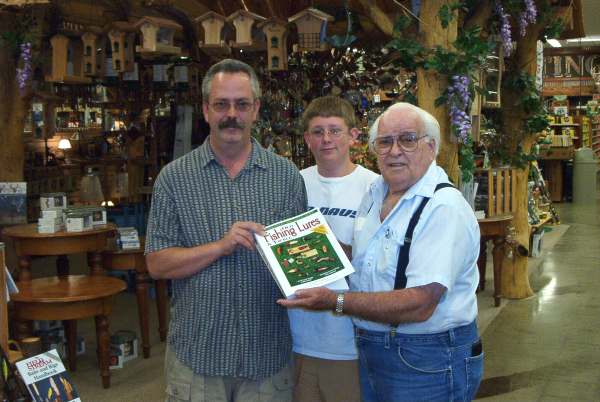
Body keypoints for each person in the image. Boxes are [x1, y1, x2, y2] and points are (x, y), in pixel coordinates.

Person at [279, 102, 483, 401]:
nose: (395, 150)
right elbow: (366, 258)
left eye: (408, 139)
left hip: (427, 360)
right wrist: (289, 242)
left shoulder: (443, 207)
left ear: (431, 146)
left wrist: (334, 301)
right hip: (376, 349)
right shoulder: (377, 194)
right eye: (385, 142)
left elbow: (420, 303)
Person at [145, 58, 307, 402]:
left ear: (256, 109)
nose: (231, 114)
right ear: (205, 110)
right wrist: (220, 246)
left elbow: (300, 265)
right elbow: (157, 264)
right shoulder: (174, 179)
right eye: (221, 104)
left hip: (267, 359)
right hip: (197, 361)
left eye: (241, 104)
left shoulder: (286, 176)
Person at [290, 96, 378, 402]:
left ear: (354, 136)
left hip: (350, 337)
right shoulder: (293, 183)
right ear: (306, 139)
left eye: (334, 130)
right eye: (317, 131)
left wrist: (327, 247)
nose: (326, 139)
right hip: (297, 333)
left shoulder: (376, 187)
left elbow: (380, 263)